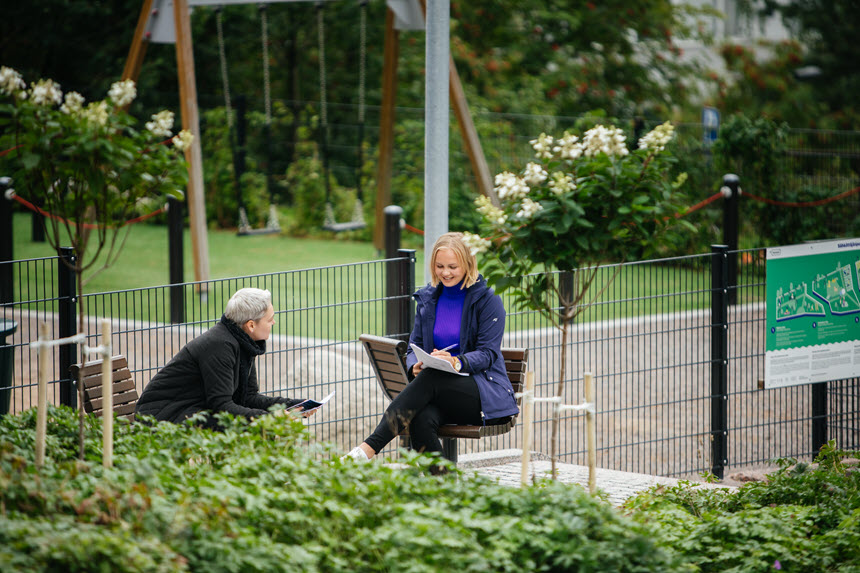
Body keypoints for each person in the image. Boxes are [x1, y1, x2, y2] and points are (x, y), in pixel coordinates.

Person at [344, 232, 518, 461]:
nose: (445, 273)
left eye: (453, 266)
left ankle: (367, 450)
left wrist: (456, 361)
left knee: (432, 377)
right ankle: (444, 488)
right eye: (440, 266)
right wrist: (414, 366)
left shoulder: (488, 300)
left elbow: (488, 354)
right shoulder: (428, 300)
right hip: (438, 390)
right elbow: (413, 348)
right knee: (421, 416)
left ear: (468, 264)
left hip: (483, 393)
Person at [135, 287, 309, 428]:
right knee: (256, 427)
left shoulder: (244, 341)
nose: (273, 323)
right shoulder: (219, 346)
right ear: (251, 325)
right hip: (164, 415)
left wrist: (293, 405)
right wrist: (271, 417)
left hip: (193, 411)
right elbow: (222, 406)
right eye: (270, 319)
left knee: (257, 425)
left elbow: (249, 397)